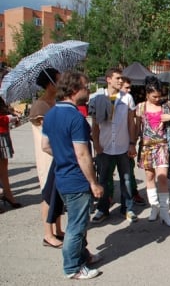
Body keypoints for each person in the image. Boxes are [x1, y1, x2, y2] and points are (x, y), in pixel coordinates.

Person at [41, 71, 104, 279]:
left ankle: (83, 255)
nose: (88, 91)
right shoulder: (76, 117)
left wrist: (63, 155)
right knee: (77, 226)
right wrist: (94, 182)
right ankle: (72, 268)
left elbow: (46, 146)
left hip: (62, 176)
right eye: (86, 87)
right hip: (76, 179)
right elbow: (83, 154)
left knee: (78, 221)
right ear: (75, 90)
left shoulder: (50, 114)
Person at [89, 68, 138, 223]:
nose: (121, 81)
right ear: (108, 79)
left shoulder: (127, 98)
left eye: (122, 78)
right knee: (103, 180)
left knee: (127, 179)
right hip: (105, 146)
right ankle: (102, 209)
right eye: (117, 78)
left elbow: (131, 122)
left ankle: (128, 208)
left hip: (123, 146)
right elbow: (95, 125)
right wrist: (96, 144)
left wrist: (132, 143)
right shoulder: (96, 97)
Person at [136, 76, 170, 225]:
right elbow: (137, 128)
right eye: (154, 96)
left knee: (162, 177)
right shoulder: (140, 107)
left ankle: (165, 213)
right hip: (146, 146)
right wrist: (132, 143)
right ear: (147, 93)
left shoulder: (167, 104)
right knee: (149, 178)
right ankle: (154, 208)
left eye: (159, 95)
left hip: (162, 145)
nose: (157, 99)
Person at [30, 68, 64, 248]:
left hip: (57, 154)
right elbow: (50, 129)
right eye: (59, 80)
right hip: (47, 155)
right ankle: (47, 234)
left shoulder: (54, 102)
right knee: (47, 195)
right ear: (50, 84)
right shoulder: (40, 106)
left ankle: (58, 229)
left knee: (56, 194)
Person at [118, 76, 146, 206]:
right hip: (111, 143)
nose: (129, 90)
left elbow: (134, 121)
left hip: (126, 142)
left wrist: (133, 142)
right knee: (107, 173)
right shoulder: (108, 98)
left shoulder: (129, 99)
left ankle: (133, 194)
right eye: (126, 87)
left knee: (129, 171)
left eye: (130, 87)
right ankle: (107, 198)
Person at [0, 97, 21, 210]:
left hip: (3, 134)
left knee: (4, 169)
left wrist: (13, 116)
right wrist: (8, 118)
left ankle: (8, 194)